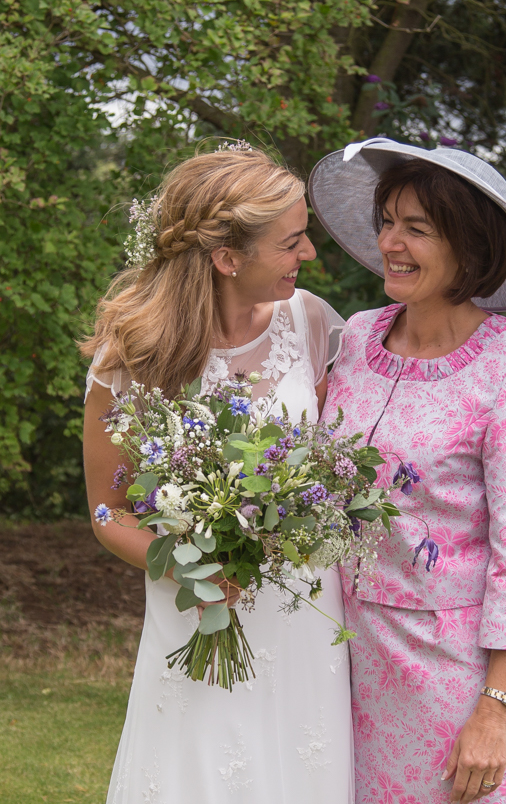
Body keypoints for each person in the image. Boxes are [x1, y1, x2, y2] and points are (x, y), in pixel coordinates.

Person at [81, 144, 352, 804]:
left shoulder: (311, 323)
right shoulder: (132, 356)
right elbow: (107, 511)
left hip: (303, 616)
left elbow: (333, 462)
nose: (308, 255)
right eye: (291, 243)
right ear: (228, 259)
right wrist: (189, 570)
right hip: (196, 615)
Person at [309, 138, 506, 804]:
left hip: (447, 671)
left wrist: (496, 706)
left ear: (470, 248)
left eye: (416, 229)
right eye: (388, 221)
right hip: (334, 649)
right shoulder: (358, 338)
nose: (391, 241)